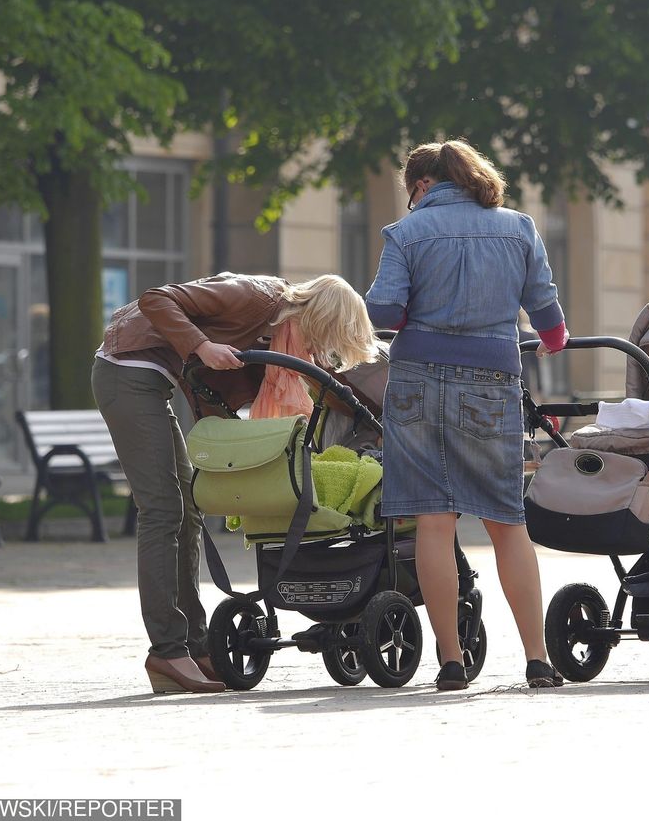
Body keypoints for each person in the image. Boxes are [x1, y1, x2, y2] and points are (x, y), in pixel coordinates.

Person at [92, 273, 377, 693]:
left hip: (152, 381)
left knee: (188, 510)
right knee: (163, 512)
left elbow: (326, 384)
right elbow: (157, 298)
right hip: (127, 372)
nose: (317, 352)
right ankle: (166, 652)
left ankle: (193, 642)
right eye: (324, 340)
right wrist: (202, 346)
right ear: (318, 318)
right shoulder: (253, 296)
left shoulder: (277, 331)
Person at [365, 140, 568, 691]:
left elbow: (384, 313)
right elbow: (549, 316)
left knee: (434, 520)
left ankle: (451, 662)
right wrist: (551, 341)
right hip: (490, 383)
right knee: (507, 522)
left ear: (424, 185)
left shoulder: (405, 235)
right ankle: (537, 659)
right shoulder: (518, 228)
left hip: (415, 385)